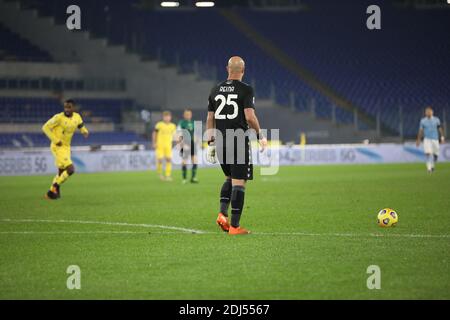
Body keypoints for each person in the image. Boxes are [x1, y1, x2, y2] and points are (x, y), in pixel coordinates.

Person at [206, 56, 267, 235]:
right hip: (238, 140)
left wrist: (210, 142)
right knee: (239, 182)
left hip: (220, 141)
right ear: (243, 70)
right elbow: (249, 116)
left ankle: (222, 214)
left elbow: (210, 118)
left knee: (229, 178)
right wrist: (260, 134)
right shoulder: (246, 89)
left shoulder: (215, 89)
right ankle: (234, 226)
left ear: (227, 69)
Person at [42, 99, 89, 199]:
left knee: (61, 172)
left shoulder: (77, 117)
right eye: (65, 107)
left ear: (74, 108)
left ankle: (53, 193)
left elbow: (81, 126)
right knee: (70, 169)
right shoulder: (58, 117)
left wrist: (84, 131)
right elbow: (45, 127)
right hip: (57, 147)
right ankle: (55, 187)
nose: (67, 109)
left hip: (67, 147)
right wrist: (55, 140)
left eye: (69, 107)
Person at [416, 106, 445, 173]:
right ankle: (429, 169)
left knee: (435, 155)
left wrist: (442, 137)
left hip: (435, 139)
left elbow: (440, 129)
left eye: (429, 111)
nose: (428, 113)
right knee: (428, 153)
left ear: (432, 112)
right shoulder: (423, 121)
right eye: (426, 111)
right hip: (427, 139)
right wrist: (418, 140)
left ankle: (432, 165)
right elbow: (420, 131)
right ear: (425, 113)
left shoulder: (436, 120)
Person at [153, 111, 176, 181]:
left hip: (168, 145)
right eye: (165, 117)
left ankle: (168, 175)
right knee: (160, 160)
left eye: (168, 117)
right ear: (163, 117)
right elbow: (154, 133)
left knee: (168, 160)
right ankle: (160, 174)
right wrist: (154, 142)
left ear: (170, 117)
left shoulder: (173, 126)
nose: (167, 118)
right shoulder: (159, 125)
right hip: (160, 145)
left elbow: (175, 136)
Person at [177, 109, 198, 184]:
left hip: (192, 143)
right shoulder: (181, 123)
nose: (188, 115)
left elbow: (195, 134)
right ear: (184, 115)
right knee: (184, 161)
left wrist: (197, 141)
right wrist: (181, 144)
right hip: (184, 142)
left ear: (191, 115)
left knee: (195, 160)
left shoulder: (193, 123)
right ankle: (184, 178)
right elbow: (179, 134)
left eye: (189, 114)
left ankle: (193, 178)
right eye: (186, 114)